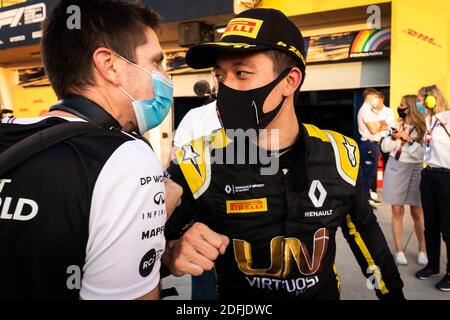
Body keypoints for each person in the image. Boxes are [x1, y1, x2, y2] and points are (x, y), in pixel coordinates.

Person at [162, 8, 404, 300]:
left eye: (241, 73)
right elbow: (138, 252)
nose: (225, 88)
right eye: (219, 76)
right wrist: (169, 255)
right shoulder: (199, 162)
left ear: (290, 81)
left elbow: (367, 239)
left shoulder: (339, 154)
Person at [0, 0, 182, 299]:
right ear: (109, 65)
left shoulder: (9, 132)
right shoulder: (126, 156)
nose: (164, 75)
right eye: (156, 62)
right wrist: (155, 216)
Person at [381, 95, 427, 266]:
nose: (399, 107)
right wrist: (394, 138)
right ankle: (399, 250)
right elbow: (385, 148)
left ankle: (423, 249)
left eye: (402, 105)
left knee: (418, 212)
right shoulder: (395, 124)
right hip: (395, 166)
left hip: (416, 169)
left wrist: (407, 139)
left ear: (411, 107)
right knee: (397, 210)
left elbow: (422, 154)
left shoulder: (423, 127)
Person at [415, 85, 450, 292]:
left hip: (447, 175)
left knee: (448, 228)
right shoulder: (428, 121)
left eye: (422, 99)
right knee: (431, 226)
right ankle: (433, 265)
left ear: (431, 99)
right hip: (429, 174)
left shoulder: (448, 118)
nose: (419, 103)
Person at [358, 89, 392, 202]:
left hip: (373, 145)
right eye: (375, 97)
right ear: (369, 96)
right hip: (369, 144)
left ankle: (366, 198)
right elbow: (373, 130)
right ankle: (364, 200)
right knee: (367, 174)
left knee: (370, 174)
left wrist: (380, 126)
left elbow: (384, 125)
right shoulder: (365, 111)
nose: (376, 100)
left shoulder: (370, 110)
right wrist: (380, 126)